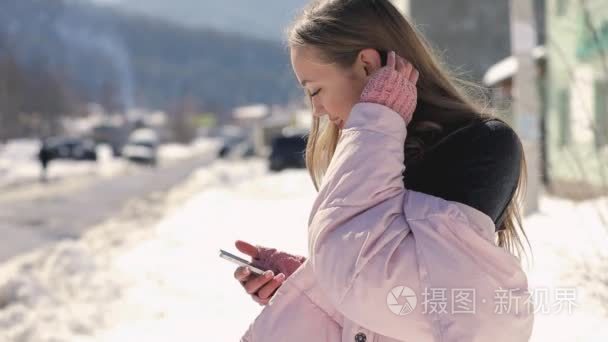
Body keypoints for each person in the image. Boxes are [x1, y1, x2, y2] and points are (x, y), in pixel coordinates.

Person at [235, 1, 534, 341]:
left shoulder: (478, 146)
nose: (316, 111)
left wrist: (377, 120)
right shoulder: (374, 150)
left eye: (316, 90)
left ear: (367, 64)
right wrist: (310, 287)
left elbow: (393, 292)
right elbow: (371, 295)